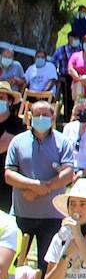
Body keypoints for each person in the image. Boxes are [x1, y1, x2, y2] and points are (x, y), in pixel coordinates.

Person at [6, 101, 76, 279]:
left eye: (46, 114)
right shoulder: (18, 142)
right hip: (21, 215)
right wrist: (34, 185)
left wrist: (44, 189)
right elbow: (9, 174)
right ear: (29, 116)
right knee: (15, 265)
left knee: (48, 266)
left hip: (52, 216)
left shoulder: (63, 142)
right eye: (37, 114)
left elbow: (68, 173)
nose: (42, 118)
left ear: (53, 117)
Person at [62, 99, 86, 178]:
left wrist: (84, 172)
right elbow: (63, 153)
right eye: (79, 111)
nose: (82, 113)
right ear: (74, 113)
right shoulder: (68, 128)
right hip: (71, 169)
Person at [0, 84, 23, 212]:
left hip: (9, 183)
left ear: (9, 101)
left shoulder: (18, 125)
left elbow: (2, 146)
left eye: (1, 97)